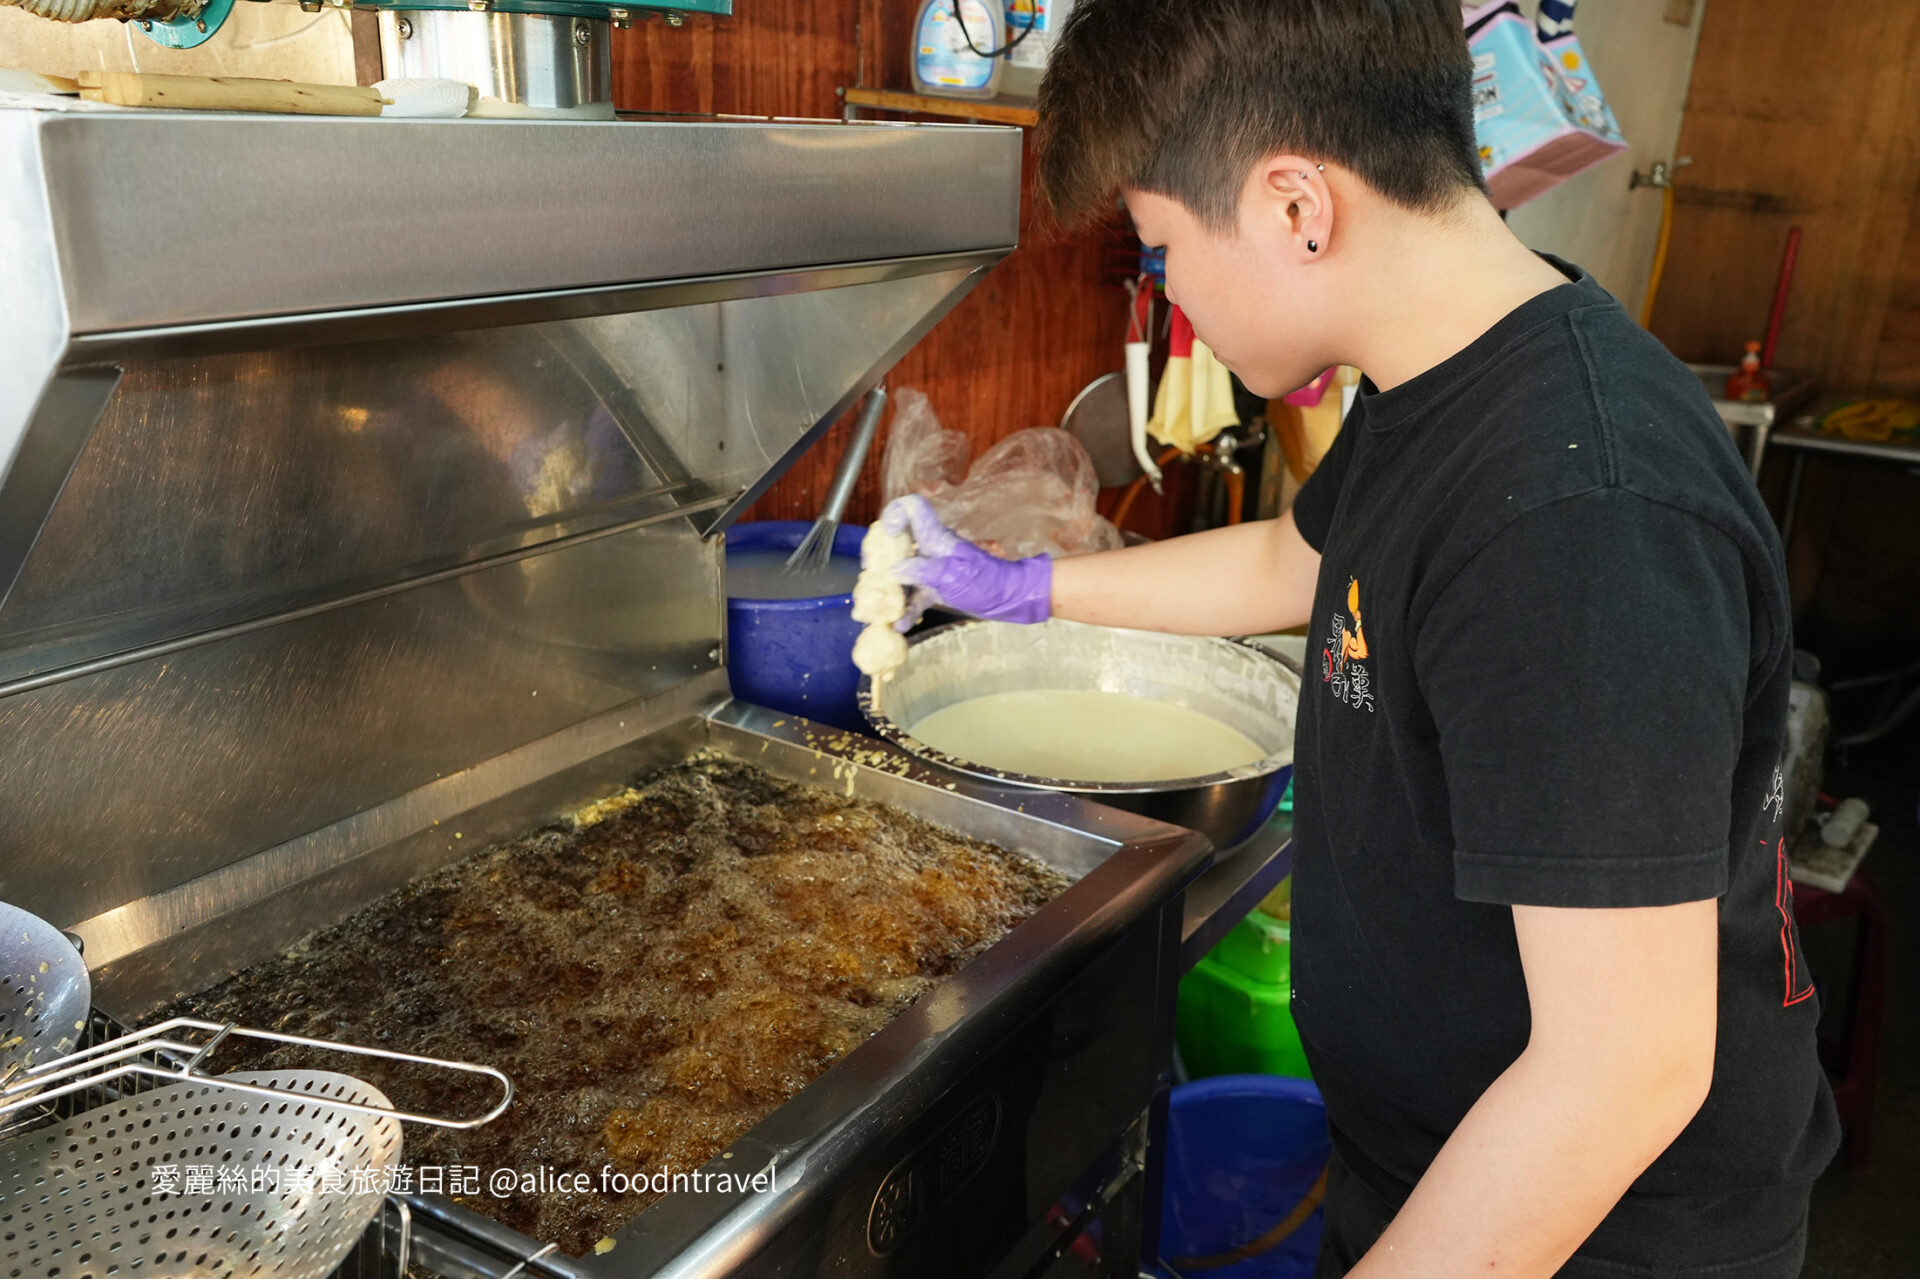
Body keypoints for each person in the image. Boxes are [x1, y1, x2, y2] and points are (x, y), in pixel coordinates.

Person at [873, 2, 1839, 1276]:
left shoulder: (1583, 514)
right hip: (1438, 1165)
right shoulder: (1446, 374)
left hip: (1590, 1232)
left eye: (1162, 249)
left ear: (1295, 208)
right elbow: (1300, 557)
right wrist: (1031, 591)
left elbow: (1621, 1074)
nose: (1170, 294)